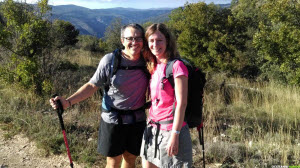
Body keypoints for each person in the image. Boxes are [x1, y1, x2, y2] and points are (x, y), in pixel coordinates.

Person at [50, 23, 149, 168]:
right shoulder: (110, 61)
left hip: (137, 119)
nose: (134, 42)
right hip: (113, 119)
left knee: (130, 158)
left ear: (143, 40)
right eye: (130, 38)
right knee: (113, 160)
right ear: (122, 40)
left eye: (138, 38)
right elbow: (92, 86)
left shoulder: (148, 61)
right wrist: (68, 102)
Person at [140, 23, 193, 168]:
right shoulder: (153, 65)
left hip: (171, 130)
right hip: (152, 129)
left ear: (167, 42)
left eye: (159, 40)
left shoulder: (177, 66)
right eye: (151, 41)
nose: (155, 44)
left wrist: (175, 135)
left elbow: (182, 103)